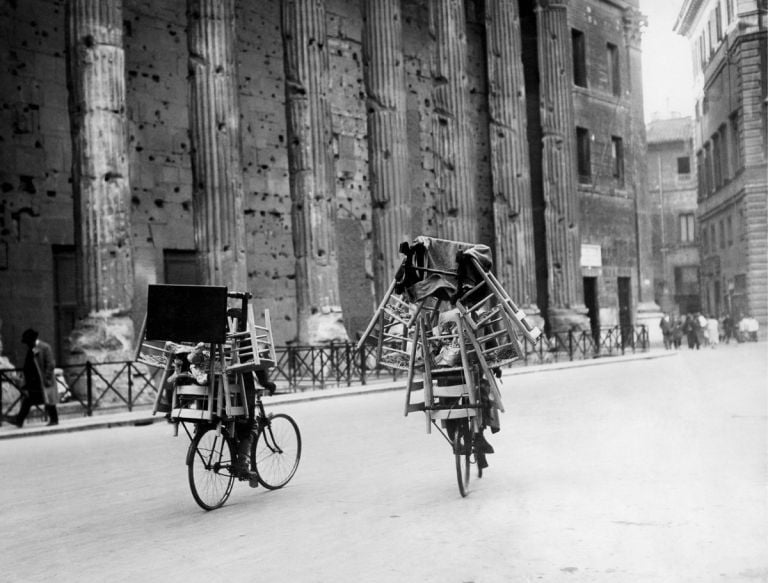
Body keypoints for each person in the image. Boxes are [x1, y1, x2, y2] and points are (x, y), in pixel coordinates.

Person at [5, 329, 57, 428]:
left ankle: (54, 419)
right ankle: (19, 420)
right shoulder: (32, 348)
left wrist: (47, 378)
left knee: (47, 398)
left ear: (33, 340)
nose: (27, 345)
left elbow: (50, 364)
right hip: (35, 381)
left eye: (28, 342)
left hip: (43, 380)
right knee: (30, 399)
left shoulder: (44, 347)